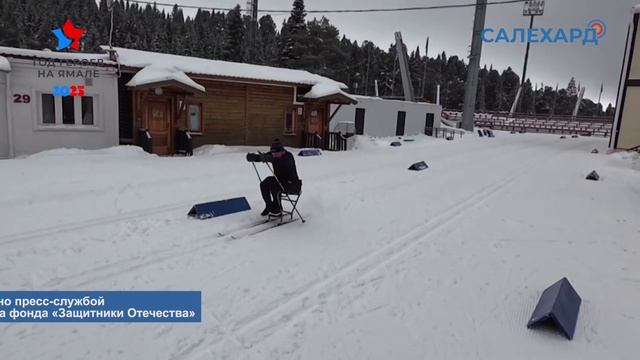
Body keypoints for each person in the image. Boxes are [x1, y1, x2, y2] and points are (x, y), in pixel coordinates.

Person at [246, 139, 301, 216]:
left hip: (292, 184)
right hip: (279, 181)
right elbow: (265, 156)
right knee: (264, 183)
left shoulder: (288, 157)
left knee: (273, 185)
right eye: (272, 153)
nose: (273, 154)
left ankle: (277, 207)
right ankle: (269, 205)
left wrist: (267, 158)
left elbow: (271, 158)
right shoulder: (274, 156)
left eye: (275, 153)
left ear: (281, 151)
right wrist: (254, 157)